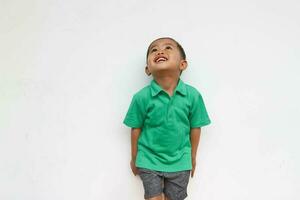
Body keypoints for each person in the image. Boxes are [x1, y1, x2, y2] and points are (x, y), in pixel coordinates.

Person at [123, 37, 211, 200]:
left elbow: (196, 127)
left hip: (181, 161)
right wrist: (134, 157)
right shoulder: (141, 97)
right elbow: (135, 128)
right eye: (154, 50)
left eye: (168, 48)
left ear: (182, 64)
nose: (160, 51)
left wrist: (192, 157)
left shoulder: (193, 95)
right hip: (149, 159)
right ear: (147, 69)